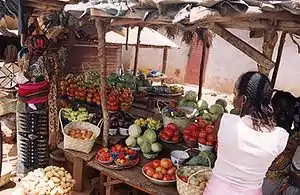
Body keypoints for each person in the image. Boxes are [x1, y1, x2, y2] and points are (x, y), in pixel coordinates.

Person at [204, 71, 289, 195]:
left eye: (235, 94)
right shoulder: (280, 137)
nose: (233, 99)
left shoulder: (224, 122)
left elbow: (219, 143)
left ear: (243, 99)